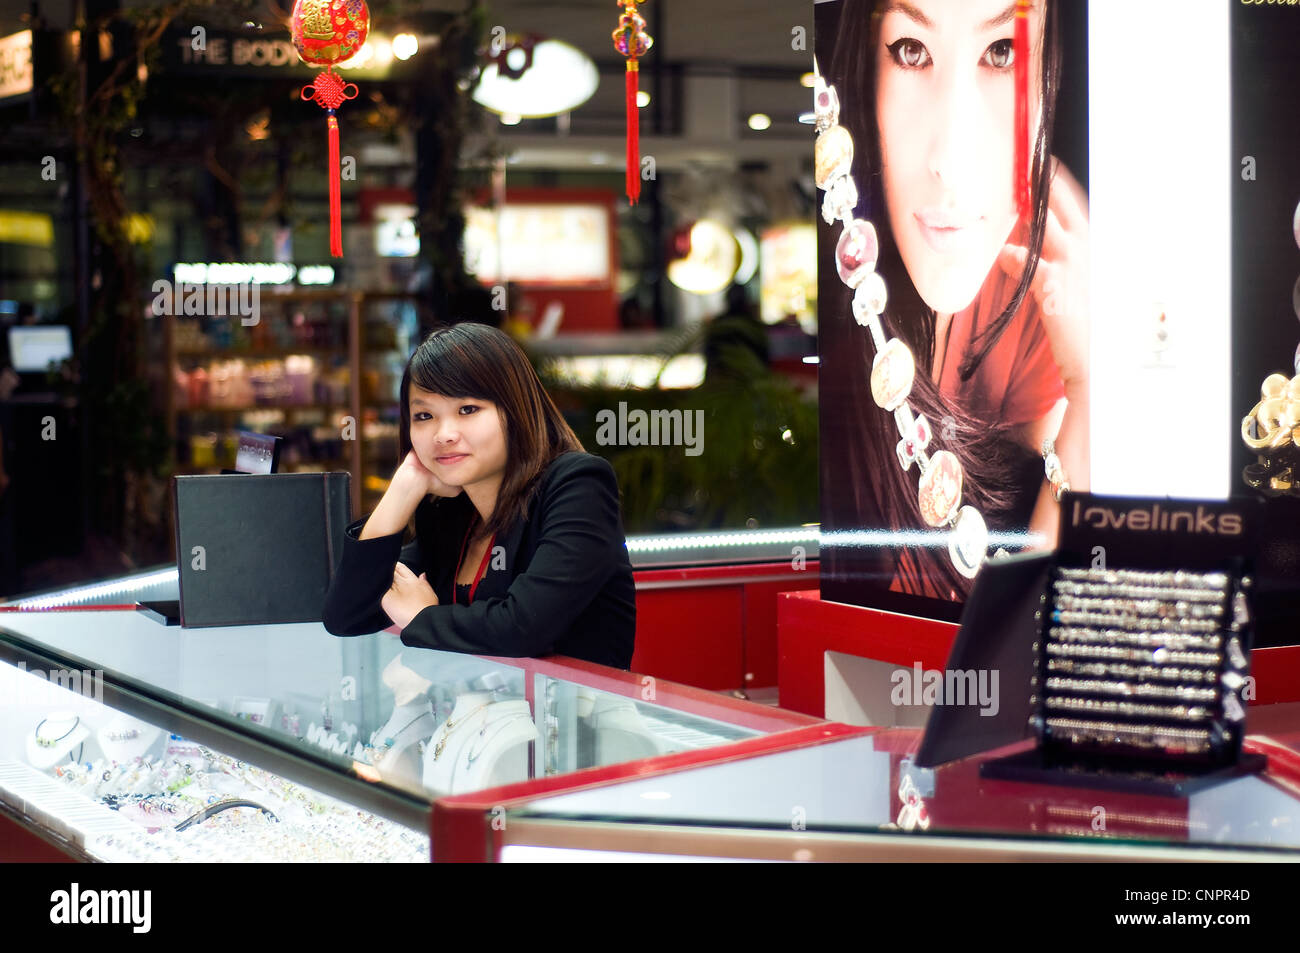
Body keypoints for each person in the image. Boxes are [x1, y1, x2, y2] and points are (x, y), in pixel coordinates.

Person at [821, 0, 1090, 603]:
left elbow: (1038, 625)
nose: (952, 162)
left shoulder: (1041, 258)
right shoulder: (832, 297)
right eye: (910, 50)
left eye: (1003, 52)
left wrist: (1090, 384)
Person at [322, 322, 636, 669]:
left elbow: (523, 628)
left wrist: (422, 617)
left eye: (467, 410)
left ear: (514, 411)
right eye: (424, 416)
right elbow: (347, 615)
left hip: (574, 719)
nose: (443, 434)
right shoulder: (453, 513)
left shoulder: (577, 483)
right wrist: (404, 486)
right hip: (477, 720)